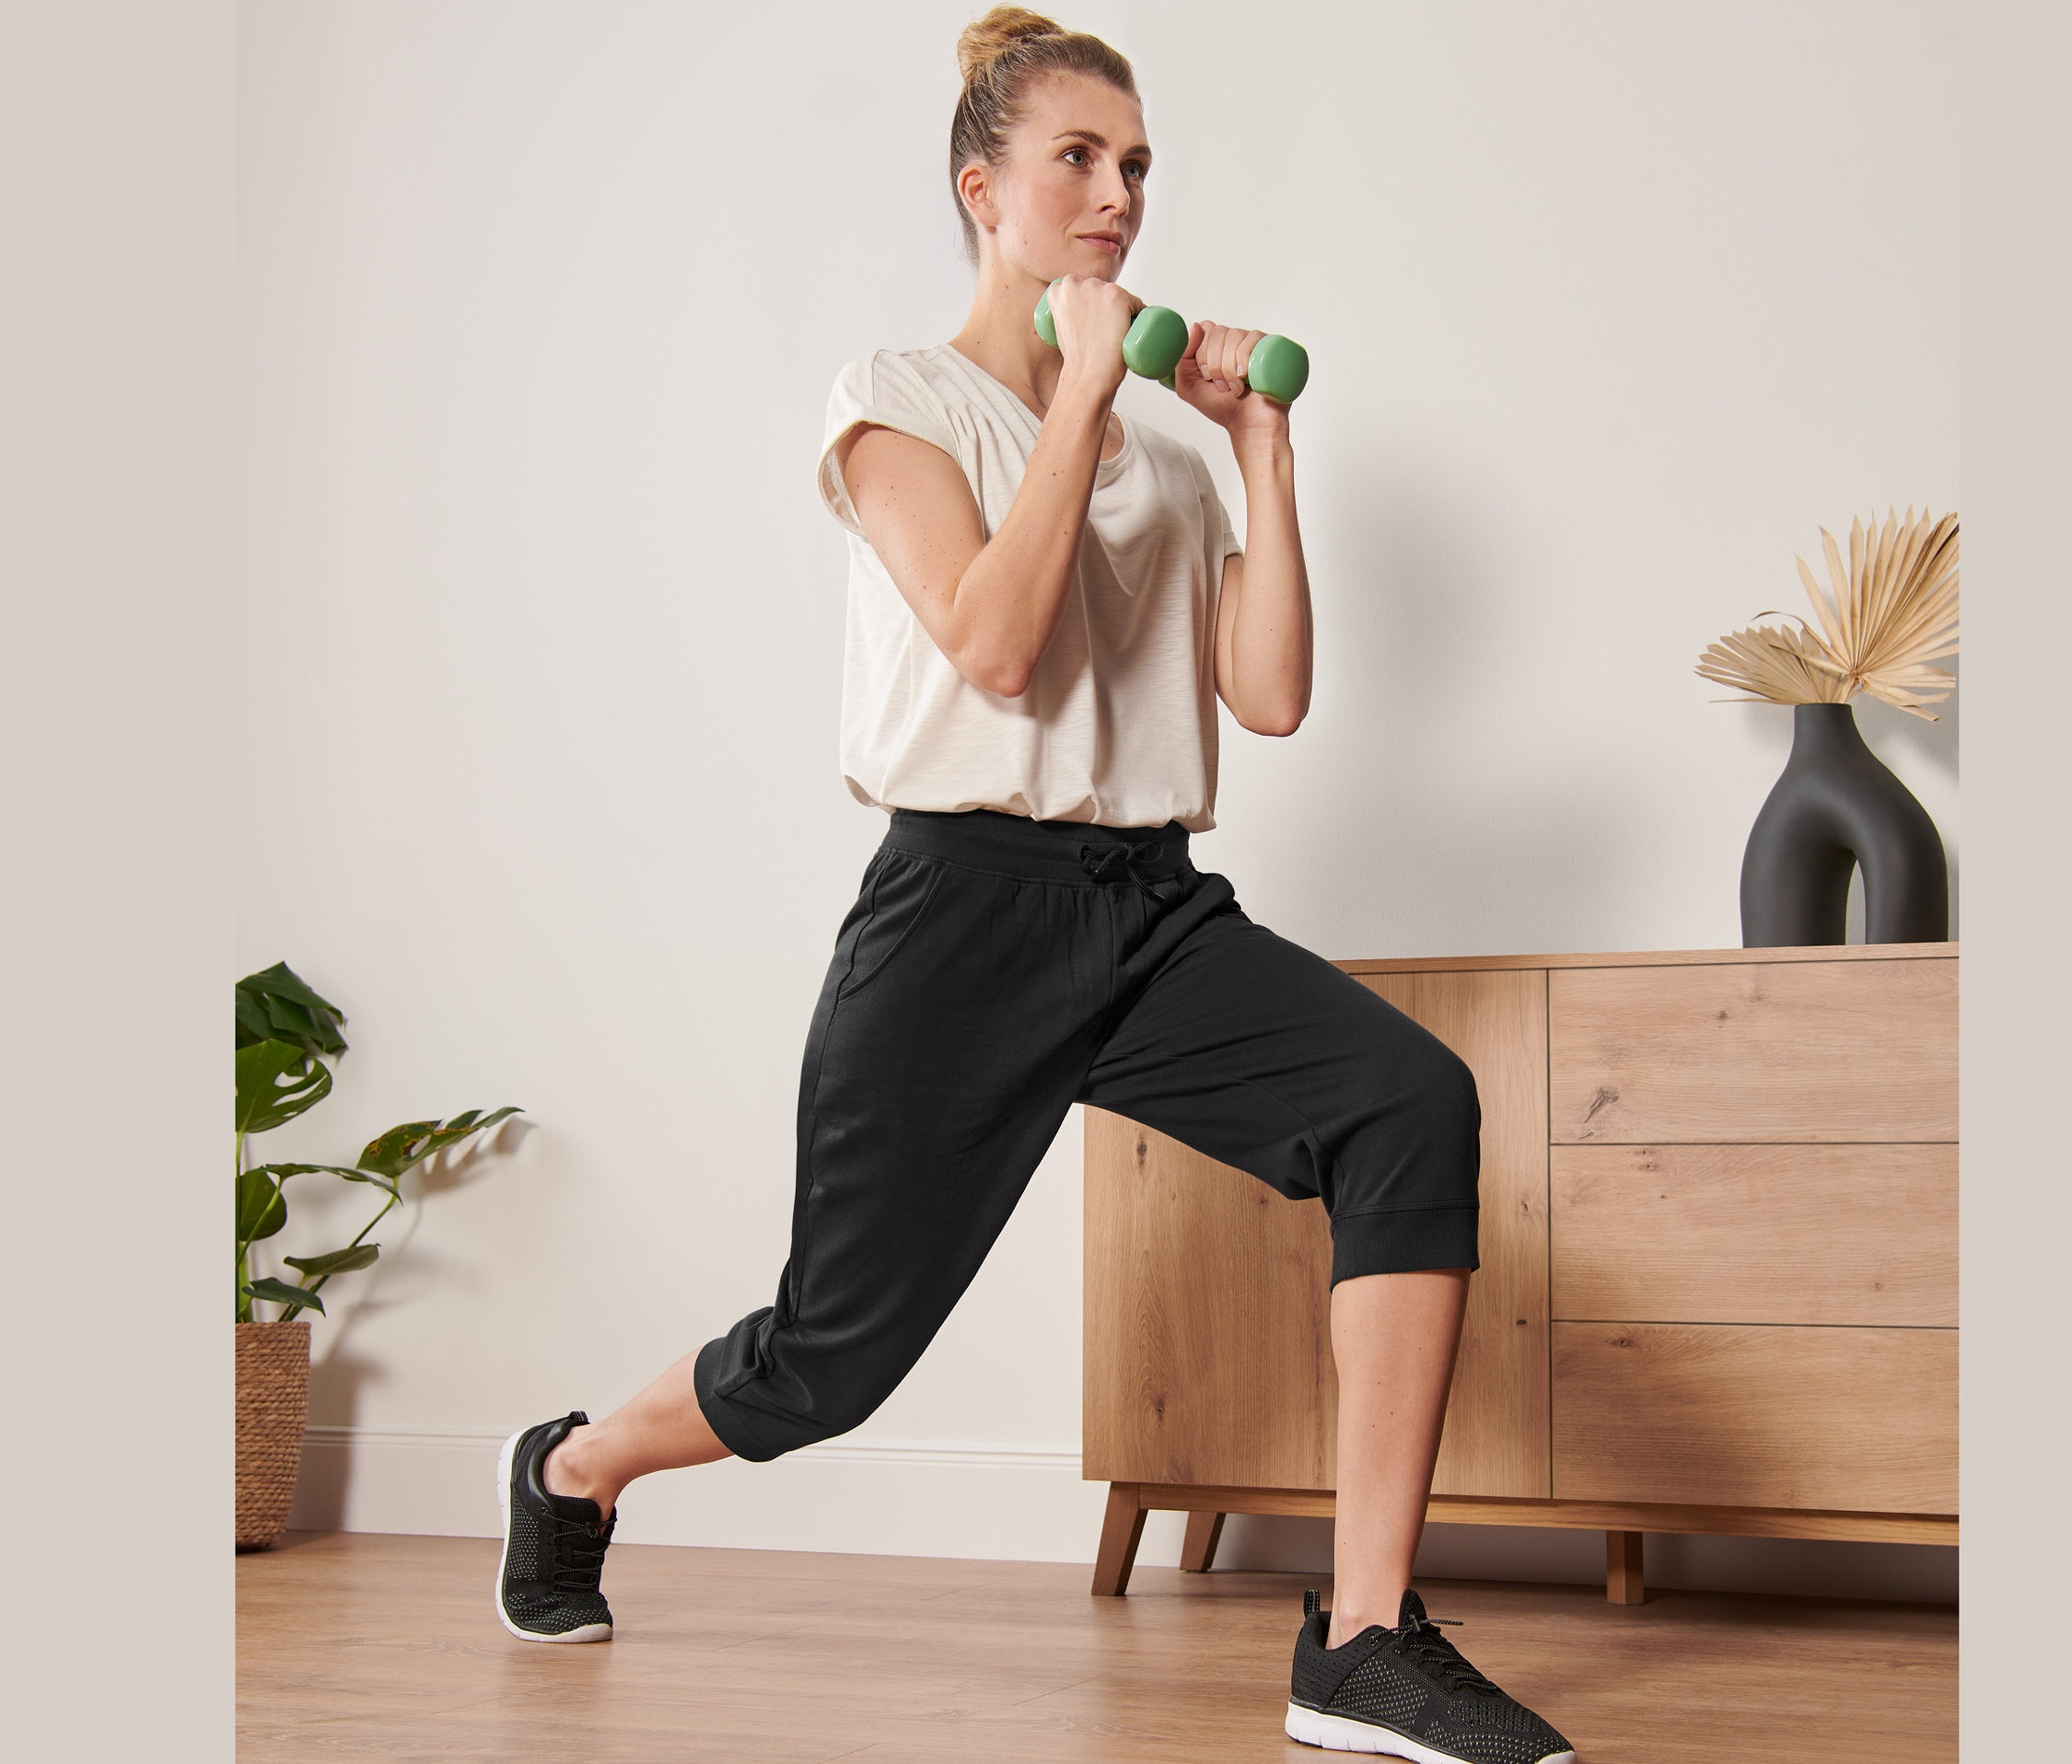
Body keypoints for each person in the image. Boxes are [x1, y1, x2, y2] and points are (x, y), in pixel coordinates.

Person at [492, 10, 1573, 1760]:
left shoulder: (1162, 460)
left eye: (1135, 164)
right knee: (824, 1365)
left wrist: (1256, 444)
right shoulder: (894, 402)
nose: (1115, 194)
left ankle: (1365, 1637)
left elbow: (1270, 698)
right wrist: (1081, 388)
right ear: (979, 187)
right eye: (1076, 158)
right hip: (960, 916)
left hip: (1149, 911)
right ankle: (572, 1467)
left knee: (1406, 1104)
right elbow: (991, 645)